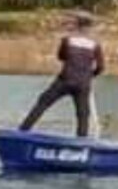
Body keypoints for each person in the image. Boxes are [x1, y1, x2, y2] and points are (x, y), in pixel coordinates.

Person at [18, 10, 105, 138]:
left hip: (65, 80)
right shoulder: (95, 45)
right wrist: (90, 75)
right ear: (89, 27)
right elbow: (101, 67)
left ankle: (23, 131)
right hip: (83, 83)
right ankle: (81, 140)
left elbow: (61, 56)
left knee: (43, 102)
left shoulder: (67, 40)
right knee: (83, 114)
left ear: (76, 25)